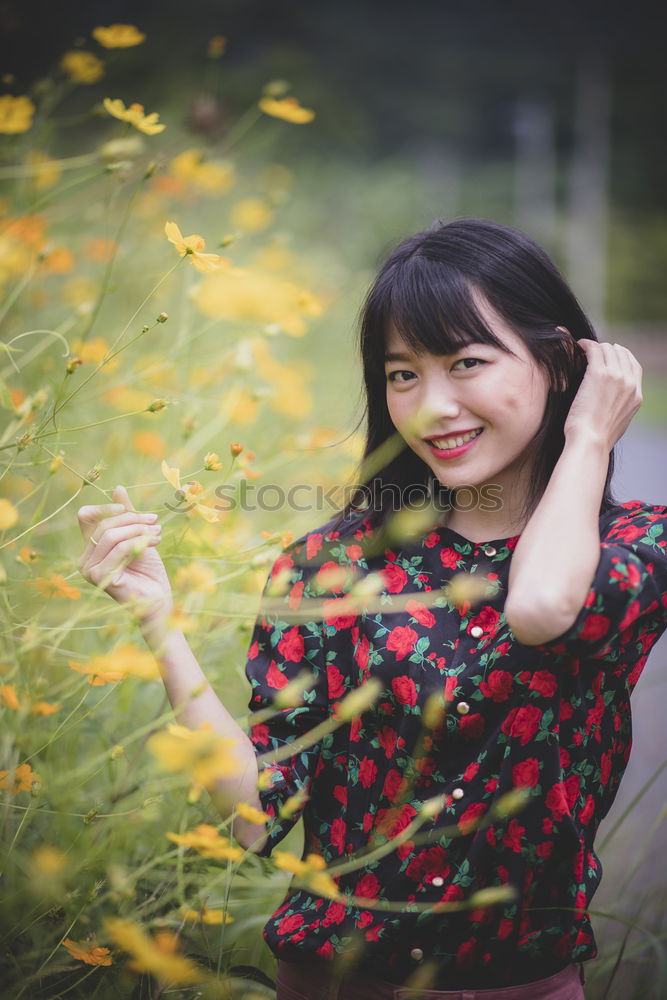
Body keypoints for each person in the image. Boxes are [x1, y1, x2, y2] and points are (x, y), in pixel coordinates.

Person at [77, 218, 667, 1000]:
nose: (431, 407)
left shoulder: (633, 543)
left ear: (558, 363)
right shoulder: (335, 563)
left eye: (466, 363)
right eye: (402, 375)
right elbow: (257, 816)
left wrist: (588, 436)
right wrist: (158, 621)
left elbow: (539, 607)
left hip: (515, 984)